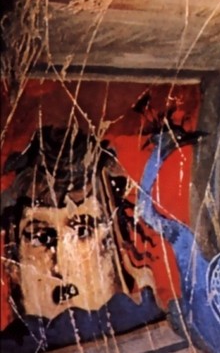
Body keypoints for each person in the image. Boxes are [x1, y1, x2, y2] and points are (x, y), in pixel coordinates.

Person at [1, 126, 161, 351]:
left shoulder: (158, 328)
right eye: (41, 238)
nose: (62, 264)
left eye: (83, 231)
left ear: (116, 249)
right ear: (13, 266)